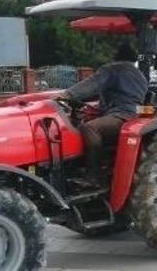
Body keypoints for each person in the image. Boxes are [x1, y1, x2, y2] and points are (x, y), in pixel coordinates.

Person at [60, 42, 148, 187]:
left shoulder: (113, 69)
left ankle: (94, 175)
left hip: (121, 114)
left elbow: (92, 84)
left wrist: (67, 94)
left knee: (88, 128)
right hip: (135, 114)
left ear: (116, 56)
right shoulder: (140, 75)